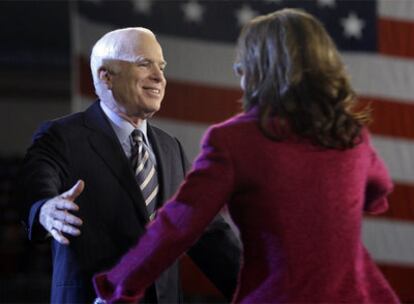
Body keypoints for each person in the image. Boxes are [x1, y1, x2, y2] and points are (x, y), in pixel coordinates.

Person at [92, 8, 400, 304]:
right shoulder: (352, 135)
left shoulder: (234, 140)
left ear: (256, 70)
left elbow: (177, 226)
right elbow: (379, 191)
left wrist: (116, 286)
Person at [18, 27, 240, 303]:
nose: (159, 77)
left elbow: (206, 231)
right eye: (144, 64)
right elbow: (36, 185)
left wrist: (262, 287)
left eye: (161, 66)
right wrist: (45, 210)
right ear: (106, 77)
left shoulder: (171, 148)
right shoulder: (61, 137)